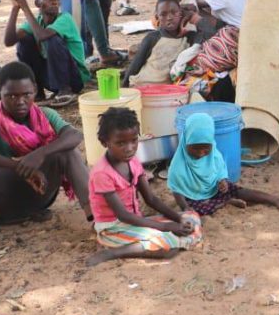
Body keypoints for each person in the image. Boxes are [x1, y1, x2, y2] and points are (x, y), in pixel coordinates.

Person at [0, 61, 92, 271]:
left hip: (41, 195)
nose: (20, 101)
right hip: (4, 202)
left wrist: (39, 154)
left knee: (68, 151)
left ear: (35, 90)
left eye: (26, 94)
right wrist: (16, 165)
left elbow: (74, 135)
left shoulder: (45, 115)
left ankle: (99, 219)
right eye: (11, 96)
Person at [86, 107, 202, 266]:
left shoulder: (133, 162)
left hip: (135, 221)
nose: (129, 148)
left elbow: (151, 199)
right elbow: (123, 216)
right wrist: (165, 227)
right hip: (113, 227)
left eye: (134, 141)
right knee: (167, 247)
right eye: (120, 143)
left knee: (191, 218)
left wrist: (178, 219)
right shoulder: (102, 173)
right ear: (105, 142)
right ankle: (113, 252)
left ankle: (166, 237)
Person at [168, 113, 279, 216]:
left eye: (206, 149)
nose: (200, 153)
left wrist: (223, 181)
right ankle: (226, 202)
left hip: (214, 189)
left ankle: (272, 199)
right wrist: (185, 207)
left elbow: (220, 171)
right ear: (185, 142)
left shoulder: (214, 155)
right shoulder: (178, 164)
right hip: (193, 197)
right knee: (197, 209)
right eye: (195, 149)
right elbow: (177, 190)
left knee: (238, 190)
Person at [5, 0, 88, 106]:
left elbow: (42, 35)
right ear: (37, 3)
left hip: (74, 79)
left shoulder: (65, 18)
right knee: (24, 41)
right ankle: (37, 91)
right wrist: (16, 8)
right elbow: (9, 41)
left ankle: (65, 90)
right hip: (51, 79)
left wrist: (25, 7)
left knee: (52, 39)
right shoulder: (37, 22)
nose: (54, 1)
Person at [125, 0, 197, 86]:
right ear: (157, 17)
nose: (169, 17)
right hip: (142, 85)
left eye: (174, 12)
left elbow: (209, 34)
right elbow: (135, 65)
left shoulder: (189, 38)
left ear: (181, 14)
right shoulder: (153, 38)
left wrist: (194, 17)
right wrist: (124, 88)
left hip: (169, 90)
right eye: (163, 14)